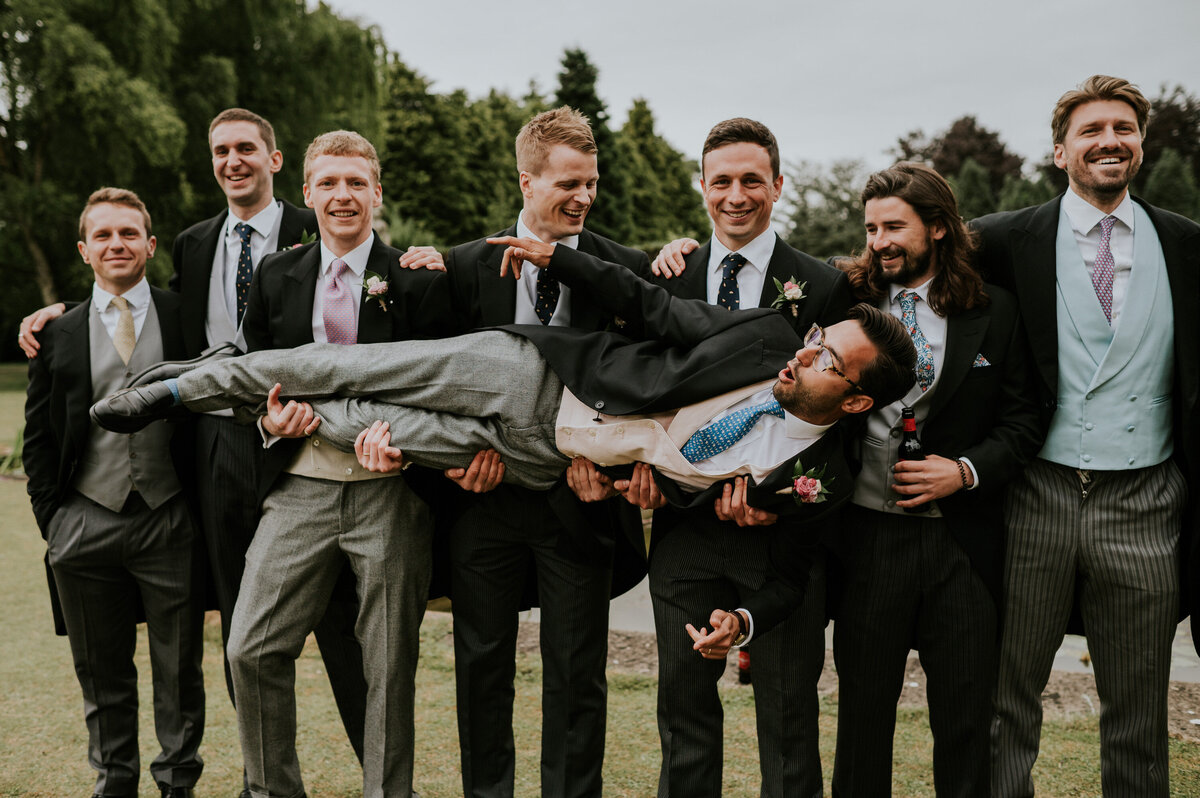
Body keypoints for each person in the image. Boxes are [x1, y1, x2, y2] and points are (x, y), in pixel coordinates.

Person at [17, 109, 373, 787]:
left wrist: (423, 260)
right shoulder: (196, 242)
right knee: (245, 629)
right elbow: (128, 312)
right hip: (221, 458)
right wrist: (60, 311)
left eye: (247, 148)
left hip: (318, 448)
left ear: (275, 160)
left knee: (343, 632)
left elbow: (369, 270)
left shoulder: (314, 221)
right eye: (221, 150)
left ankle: (381, 776)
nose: (233, 160)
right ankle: (261, 779)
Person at [974, 75, 1200, 797]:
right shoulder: (1004, 240)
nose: (1110, 141)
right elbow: (903, 279)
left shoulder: (1188, 245)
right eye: (1092, 130)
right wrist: (688, 257)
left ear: (1140, 143)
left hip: (1147, 497)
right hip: (1036, 493)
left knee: (1137, 708)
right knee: (1008, 698)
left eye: (1124, 129)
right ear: (1060, 150)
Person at [224, 130, 455, 798]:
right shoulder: (276, 276)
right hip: (299, 488)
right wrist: (269, 419)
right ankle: (273, 790)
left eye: (356, 182)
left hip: (390, 492)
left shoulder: (415, 279)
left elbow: (444, 387)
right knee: (251, 646)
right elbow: (252, 379)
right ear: (307, 193)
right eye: (329, 182)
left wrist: (406, 444)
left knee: (388, 666)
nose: (343, 195)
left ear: (377, 192)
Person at [431, 106, 651, 798]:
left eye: (591, 183)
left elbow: (649, 384)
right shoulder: (461, 268)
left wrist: (611, 471)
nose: (583, 198)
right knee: (482, 667)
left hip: (578, 504)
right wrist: (455, 463)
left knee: (577, 674)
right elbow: (433, 380)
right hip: (483, 500)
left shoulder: (625, 269)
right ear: (526, 182)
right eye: (567, 184)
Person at [643, 117, 854, 797]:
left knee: (790, 717)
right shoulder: (669, 278)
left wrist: (781, 500)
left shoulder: (823, 287)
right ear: (702, 186)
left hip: (780, 538)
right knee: (683, 710)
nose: (737, 195)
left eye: (752, 180)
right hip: (685, 534)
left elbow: (843, 421)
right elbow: (642, 390)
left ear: (778, 186)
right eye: (723, 181)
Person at [827, 163, 1041, 797]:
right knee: (862, 723)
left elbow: (1024, 419)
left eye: (895, 226)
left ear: (940, 228)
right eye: (870, 228)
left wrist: (966, 471)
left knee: (965, 724)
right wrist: (682, 251)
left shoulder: (995, 311)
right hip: (867, 540)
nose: (880, 241)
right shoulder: (847, 301)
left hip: (963, 547)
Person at [24, 188, 206, 798]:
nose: (116, 244)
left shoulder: (187, 315)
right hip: (84, 522)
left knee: (179, 669)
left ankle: (178, 783)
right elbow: (40, 437)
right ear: (84, 250)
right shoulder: (58, 332)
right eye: (102, 235)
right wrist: (56, 523)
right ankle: (114, 782)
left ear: (150, 245)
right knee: (100, 672)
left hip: (169, 518)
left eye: (128, 233)